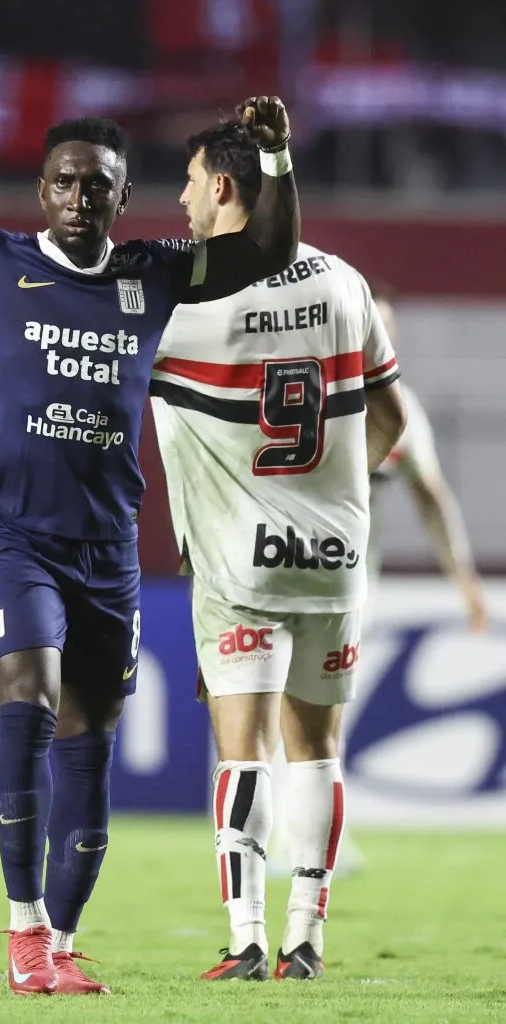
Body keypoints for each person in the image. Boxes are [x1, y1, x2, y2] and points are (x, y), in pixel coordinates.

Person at [0, 33, 299, 997]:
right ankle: (22, 931)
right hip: (12, 533)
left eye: (99, 186)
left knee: (92, 741)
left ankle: (60, 938)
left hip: (107, 548)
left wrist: (273, 162)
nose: (80, 198)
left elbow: (267, 248)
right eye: (65, 181)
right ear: (42, 188)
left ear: (121, 197)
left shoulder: (155, 272)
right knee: (30, 698)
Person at [149, 124, 406, 981]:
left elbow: (66, 351)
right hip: (336, 558)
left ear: (225, 188)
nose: (182, 198)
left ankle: (247, 937)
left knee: (244, 753)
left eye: (190, 181)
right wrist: (334, 489)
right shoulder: (345, 280)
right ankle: (309, 940)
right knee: (319, 754)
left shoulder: (189, 303)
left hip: (240, 566)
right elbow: (391, 422)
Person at [368, 285, 487, 630]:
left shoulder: (402, 414)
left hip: (344, 585)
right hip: (290, 576)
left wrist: (465, 579)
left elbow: (432, 499)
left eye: (383, 329)